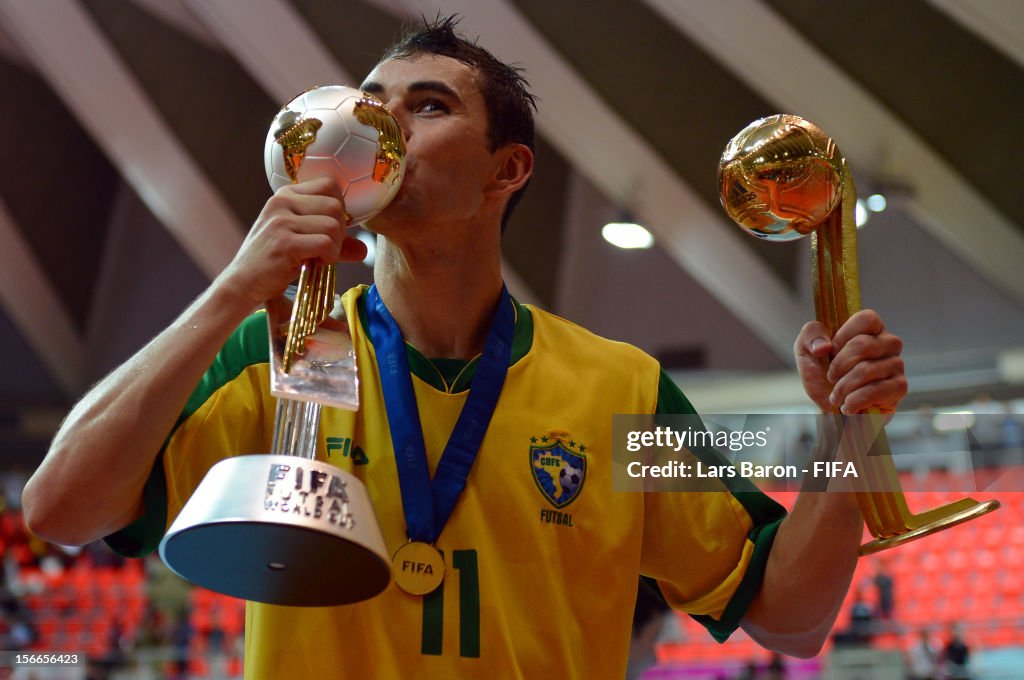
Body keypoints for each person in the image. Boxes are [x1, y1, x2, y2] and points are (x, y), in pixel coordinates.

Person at [20, 16, 908, 678]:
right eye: (371, 108)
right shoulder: (276, 350)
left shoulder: (619, 391)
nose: (381, 128)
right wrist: (234, 292)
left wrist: (846, 433)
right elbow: (59, 511)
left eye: (429, 106)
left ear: (506, 170)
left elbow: (790, 615)